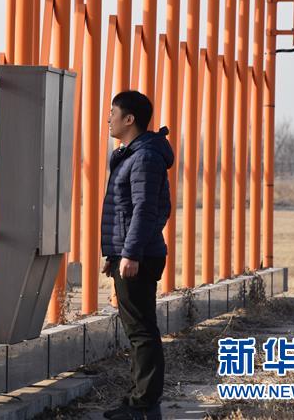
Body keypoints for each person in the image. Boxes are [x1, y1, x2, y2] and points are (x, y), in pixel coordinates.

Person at [100, 90, 174, 420]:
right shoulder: (133, 155)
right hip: (131, 253)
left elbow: (146, 209)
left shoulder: (144, 157)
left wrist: (129, 253)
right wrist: (115, 253)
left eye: (113, 113)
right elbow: (130, 211)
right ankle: (138, 400)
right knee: (138, 331)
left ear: (129, 119)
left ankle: (143, 406)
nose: (108, 119)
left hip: (139, 256)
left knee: (142, 332)